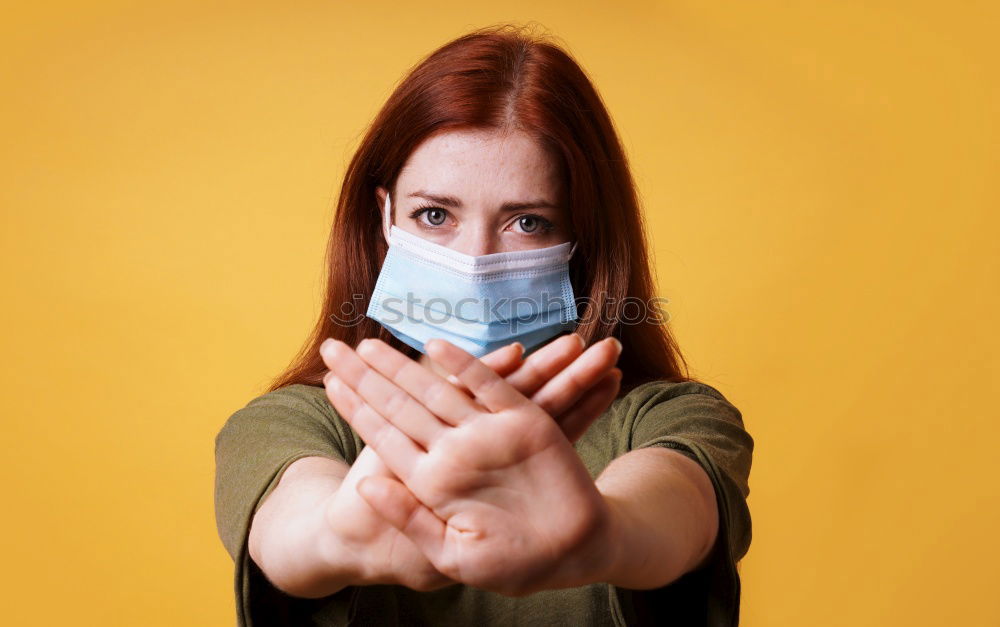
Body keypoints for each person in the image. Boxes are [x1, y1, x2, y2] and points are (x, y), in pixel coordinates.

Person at [214, 24, 753, 626]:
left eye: (527, 222)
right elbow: (292, 527)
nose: (475, 260)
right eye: (435, 214)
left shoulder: (671, 419)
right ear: (385, 215)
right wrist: (340, 535)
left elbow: (673, 506)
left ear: (582, 237)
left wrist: (610, 535)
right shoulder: (291, 422)